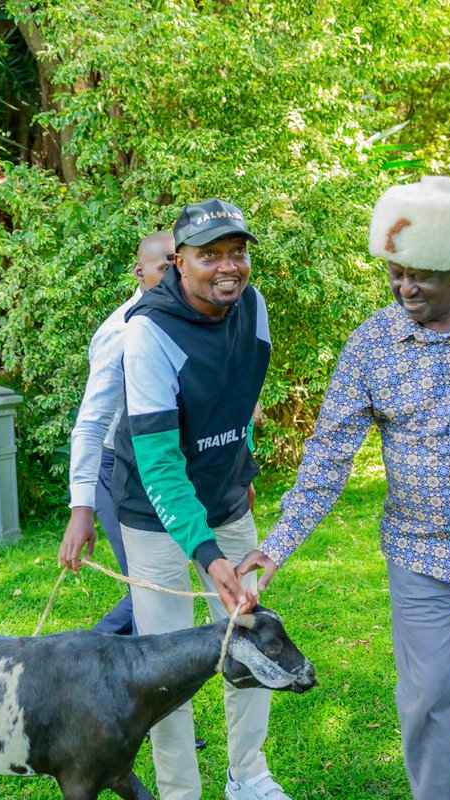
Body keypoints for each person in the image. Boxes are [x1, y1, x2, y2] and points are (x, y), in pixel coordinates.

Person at [237, 176, 450, 800]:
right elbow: (328, 457)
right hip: (419, 556)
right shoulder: (373, 343)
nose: (404, 288)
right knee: (427, 700)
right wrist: (276, 545)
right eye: (395, 274)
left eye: (418, 275)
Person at [112, 198, 290, 800]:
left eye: (236, 252)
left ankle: (249, 776)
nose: (227, 266)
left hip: (228, 502)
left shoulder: (255, 306)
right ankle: (180, 793)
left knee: (251, 640)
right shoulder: (148, 332)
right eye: (208, 254)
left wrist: (238, 466)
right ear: (178, 262)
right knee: (167, 672)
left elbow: (238, 400)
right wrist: (209, 557)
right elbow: (161, 468)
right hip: (154, 516)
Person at [59, 231, 174, 636]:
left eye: (180, 263)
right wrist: (81, 510)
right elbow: (90, 425)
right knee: (147, 589)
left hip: (165, 468)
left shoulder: (183, 319)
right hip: (118, 471)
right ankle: (80, 657)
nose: (175, 274)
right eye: (164, 267)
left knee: (158, 589)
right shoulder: (120, 333)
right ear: (139, 272)